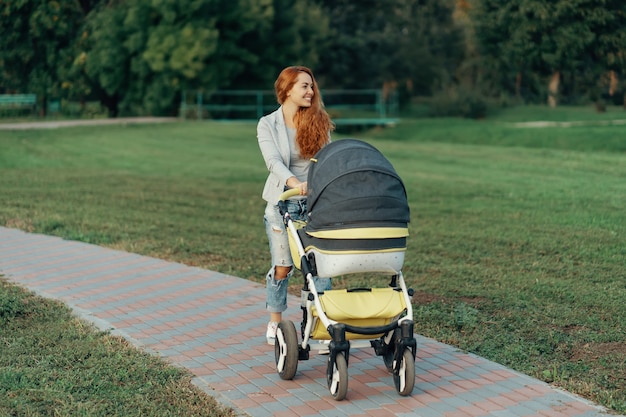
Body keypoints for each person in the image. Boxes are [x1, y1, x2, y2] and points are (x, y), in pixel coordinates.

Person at [257, 65, 335, 345]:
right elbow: (272, 161)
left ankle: (320, 324)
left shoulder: (317, 121)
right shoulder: (268, 123)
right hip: (282, 204)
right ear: (287, 89)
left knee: (319, 267)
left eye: (312, 86)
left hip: (314, 203)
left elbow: (327, 158)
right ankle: (275, 321)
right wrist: (293, 183)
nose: (311, 91)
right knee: (283, 267)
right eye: (304, 86)